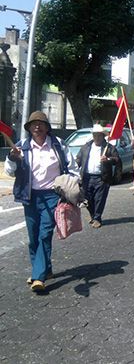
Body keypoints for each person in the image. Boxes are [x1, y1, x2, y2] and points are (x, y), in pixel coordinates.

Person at [4, 111, 78, 292]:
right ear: (29, 128)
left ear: (47, 127)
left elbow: (73, 168)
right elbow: (9, 171)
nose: (37, 126)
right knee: (33, 237)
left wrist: (71, 185)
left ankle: (38, 276)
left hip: (52, 196)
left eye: (41, 123)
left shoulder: (58, 145)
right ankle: (47, 269)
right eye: (33, 124)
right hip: (29, 196)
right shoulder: (21, 147)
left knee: (45, 234)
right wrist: (13, 158)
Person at [76, 124, 120, 228]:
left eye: (99, 135)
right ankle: (93, 215)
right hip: (87, 177)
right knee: (87, 198)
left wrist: (108, 159)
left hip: (102, 177)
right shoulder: (86, 147)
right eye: (95, 135)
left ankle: (97, 218)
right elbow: (79, 159)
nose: (97, 137)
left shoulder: (108, 147)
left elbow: (117, 159)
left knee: (99, 199)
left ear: (103, 136)